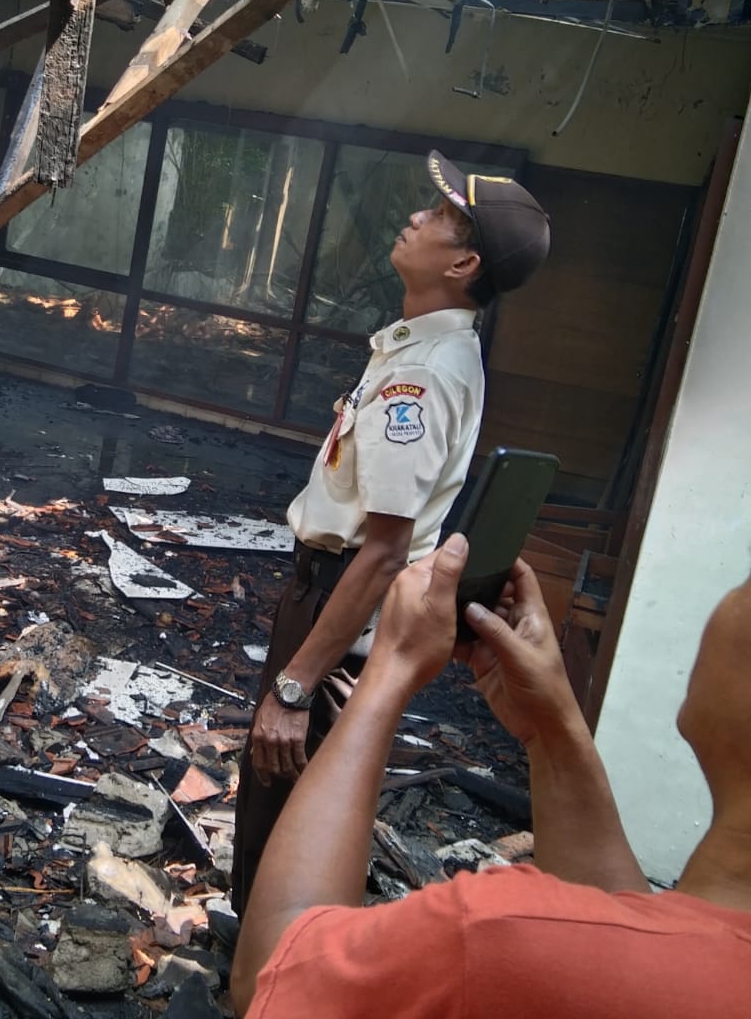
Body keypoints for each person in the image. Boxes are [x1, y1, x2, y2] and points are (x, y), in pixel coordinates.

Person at [231, 422, 751, 1018]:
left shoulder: (499, 943)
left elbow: (276, 972)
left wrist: (388, 672)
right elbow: (637, 931)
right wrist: (551, 728)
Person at [230, 151, 550, 914]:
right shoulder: (419, 349)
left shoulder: (425, 372)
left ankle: (270, 964)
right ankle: (262, 952)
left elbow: (383, 551)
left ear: (464, 263)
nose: (415, 217)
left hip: (343, 605)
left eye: (439, 215)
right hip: (330, 596)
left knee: (287, 808)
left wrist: (295, 687)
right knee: (282, 803)